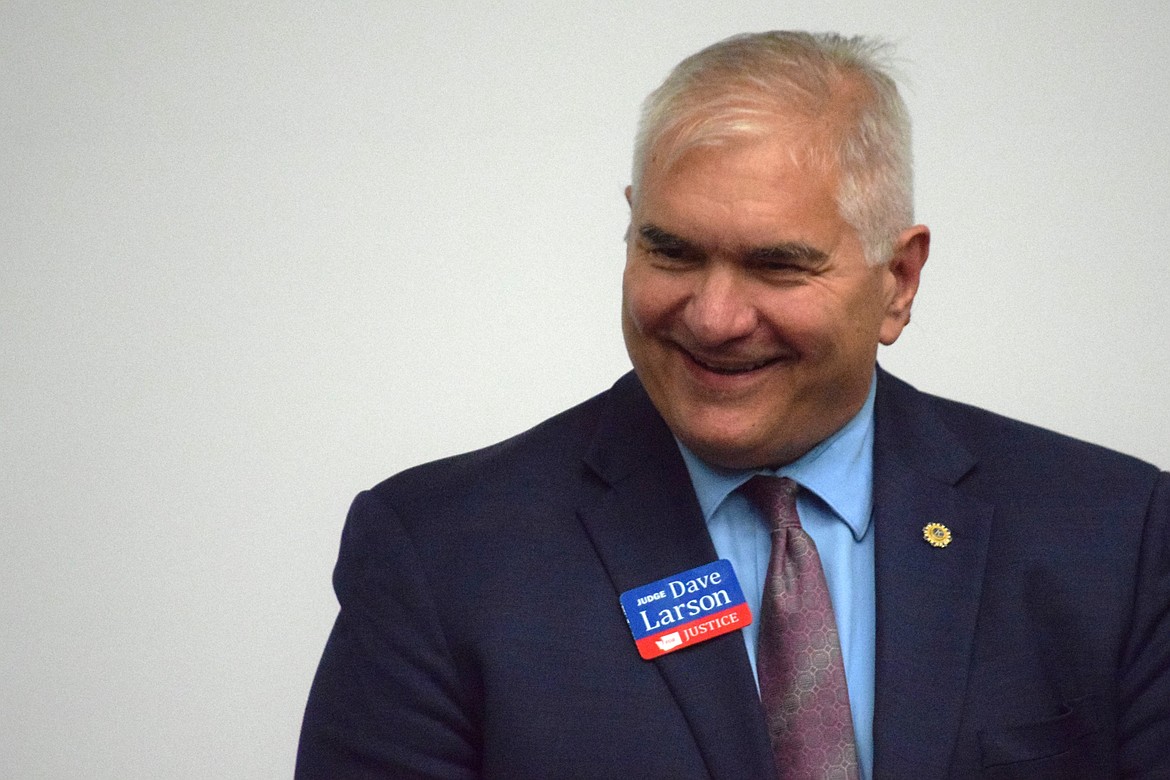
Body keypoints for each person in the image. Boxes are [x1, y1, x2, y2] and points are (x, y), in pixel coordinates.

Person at [296, 31, 1170, 779]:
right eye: (671, 252)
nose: (713, 318)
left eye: (777, 266)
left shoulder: (1116, 540)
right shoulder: (441, 557)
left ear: (898, 281)